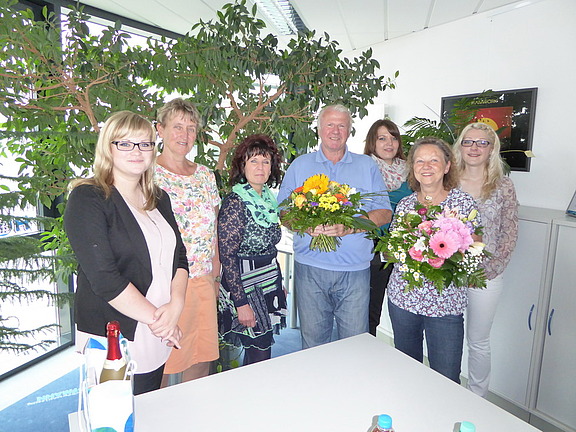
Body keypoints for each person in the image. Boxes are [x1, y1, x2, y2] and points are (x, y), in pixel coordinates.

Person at [64, 111, 189, 395]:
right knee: (114, 413)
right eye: (125, 143)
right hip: (115, 331)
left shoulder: (159, 198)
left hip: (157, 325)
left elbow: (179, 257)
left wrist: (176, 305)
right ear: (108, 147)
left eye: (144, 144)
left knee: (149, 406)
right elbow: (105, 279)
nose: (136, 151)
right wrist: (162, 322)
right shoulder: (88, 198)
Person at [277, 104, 392, 349]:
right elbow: (284, 212)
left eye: (342, 125)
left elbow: (384, 212)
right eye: (330, 124)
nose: (335, 131)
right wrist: (305, 226)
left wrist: (351, 227)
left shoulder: (367, 165)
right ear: (319, 129)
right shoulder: (300, 165)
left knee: (354, 345)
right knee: (313, 344)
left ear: (349, 130)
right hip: (310, 270)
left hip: (355, 272)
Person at [386, 137, 481, 383]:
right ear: (413, 168)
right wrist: (401, 250)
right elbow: (392, 251)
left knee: (446, 377)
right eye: (420, 161)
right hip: (404, 301)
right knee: (407, 372)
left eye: (434, 160)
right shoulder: (405, 205)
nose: (426, 166)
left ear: (447, 166)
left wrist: (446, 255)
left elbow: (475, 248)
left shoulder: (462, 203)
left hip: (445, 304)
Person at [155, 98, 220, 383]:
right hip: (164, 284)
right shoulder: (147, 174)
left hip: (202, 280)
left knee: (201, 358)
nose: (184, 135)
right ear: (160, 130)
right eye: (177, 127)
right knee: (160, 364)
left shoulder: (205, 175)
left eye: (191, 128)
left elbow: (213, 229)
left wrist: (215, 276)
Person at [453, 122, 518, 396]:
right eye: (468, 141)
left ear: (492, 149)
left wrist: (491, 269)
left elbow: (509, 231)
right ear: (460, 146)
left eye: (482, 143)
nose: (474, 148)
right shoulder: (448, 182)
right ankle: (446, 390)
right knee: (448, 338)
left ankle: (477, 397)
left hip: (486, 276)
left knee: (478, 341)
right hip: (448, 273)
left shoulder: (503, 186)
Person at [217, 134, 287, 365]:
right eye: (254, 161)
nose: (260, 167)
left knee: (260, 353)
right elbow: (228, 257)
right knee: (259, 355)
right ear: (243, 165)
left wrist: (278, 283)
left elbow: (269, 247)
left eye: (265, 161)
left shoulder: (268, 199)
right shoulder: (235, 202)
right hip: (245, 288)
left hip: (268, 283)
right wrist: (241, 304)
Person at [363, 119, 412, 336]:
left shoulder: (411, 171)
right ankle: (365, 348)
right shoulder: (362, 169)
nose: (389, 143)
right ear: (372, 142)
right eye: (382, 138)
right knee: (370, 310)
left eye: (393, 138)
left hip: (405, 248)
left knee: (404, 309)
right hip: (372, 248)